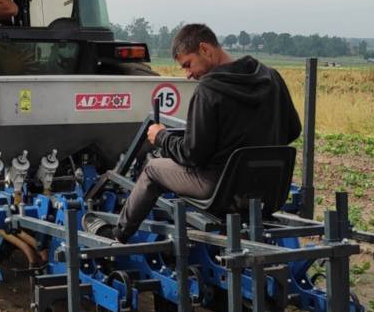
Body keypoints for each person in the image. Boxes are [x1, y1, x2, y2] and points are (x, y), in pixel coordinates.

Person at [83, 23, 302, 242]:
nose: (188, 75)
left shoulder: (209, 90)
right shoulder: (271, 77)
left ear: (206, 50)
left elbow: (193, 154)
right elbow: (293, 129)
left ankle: (118, 234)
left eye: (188, 65)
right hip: (269, 189)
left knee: (152, 169)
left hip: (220, 190)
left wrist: (161, 137)